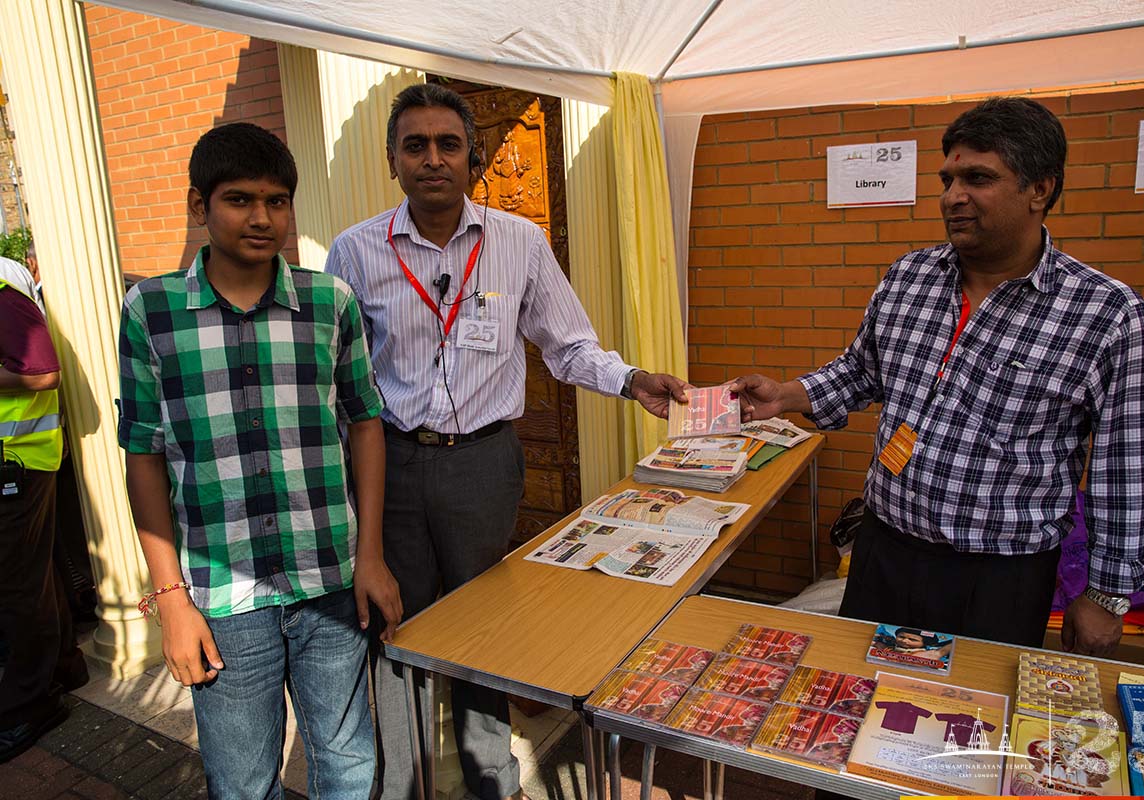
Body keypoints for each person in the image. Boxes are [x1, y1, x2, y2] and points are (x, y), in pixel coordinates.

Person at [325, 83, 688, 800]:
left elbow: (569, 344)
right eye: (415, 145)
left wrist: (630, 378)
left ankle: (492, 779)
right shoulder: (355, 251)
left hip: (485, 465)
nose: (433, 159)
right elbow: (336, 379)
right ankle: (401, 784)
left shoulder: (518, 243)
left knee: (480, 629)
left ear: (475, 156)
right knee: (393, 626)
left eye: (448, 144)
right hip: (389, 466)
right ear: (393, 159)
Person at [733, 97, 1144, 658]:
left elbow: (1129, 467)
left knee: (968, 726)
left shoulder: (1107, 313)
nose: (952, 196)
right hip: (885, 549)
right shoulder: (909, 276)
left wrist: (1107, 595)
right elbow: (862, 371)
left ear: (1040, 189)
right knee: (861, 703)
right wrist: (786, 394)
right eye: (948, 179)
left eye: (978, 178)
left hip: (999, 577)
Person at [117, 123, 403, 798]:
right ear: (200, 208)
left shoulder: (328, 303)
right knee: (243, 779)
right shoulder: (151, 312)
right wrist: (170, 599)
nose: (262, 217)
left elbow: (365, 424)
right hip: (223, 598)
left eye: (277, 202)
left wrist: (370, 554)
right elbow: (143, 452)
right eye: (240, 200)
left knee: (348, 761)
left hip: (329, 580)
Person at [0, 251, 84, 762]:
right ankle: (64, 669)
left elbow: (41, 372)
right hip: (22, 459)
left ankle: (29, 705)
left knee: (15, 587)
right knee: (37, 577)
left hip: (17, 461)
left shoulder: (2, 289)